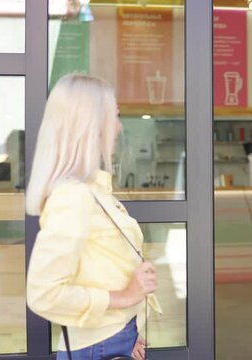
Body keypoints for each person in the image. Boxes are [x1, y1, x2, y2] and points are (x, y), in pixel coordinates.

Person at [26, 74, 161, 360]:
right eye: (114, 116)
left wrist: (129, 331)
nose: (118, 126)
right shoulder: (72, 197)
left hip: (114, 338)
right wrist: (126, 296)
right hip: (97, 347)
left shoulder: (90, 190)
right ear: (91, 125)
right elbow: (43, 293)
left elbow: (103, 269)